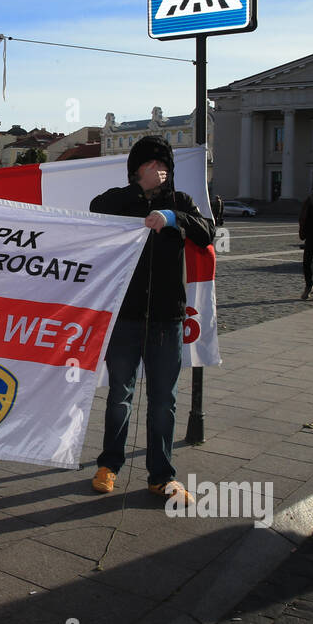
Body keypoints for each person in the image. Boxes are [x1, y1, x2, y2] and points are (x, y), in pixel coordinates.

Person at [89, 136, 215, 505]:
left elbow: (207, 231)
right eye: (151, 163)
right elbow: (96, 208)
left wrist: (173, 218)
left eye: (164, 163)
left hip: (167, 319)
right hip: (126, 317)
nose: (160, 169)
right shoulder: (118, 200)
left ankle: (162, 476)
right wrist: (140, 191)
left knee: (164, 401)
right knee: (120, 395)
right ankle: (109, 465)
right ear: (136, 168)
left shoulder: (181, 202)